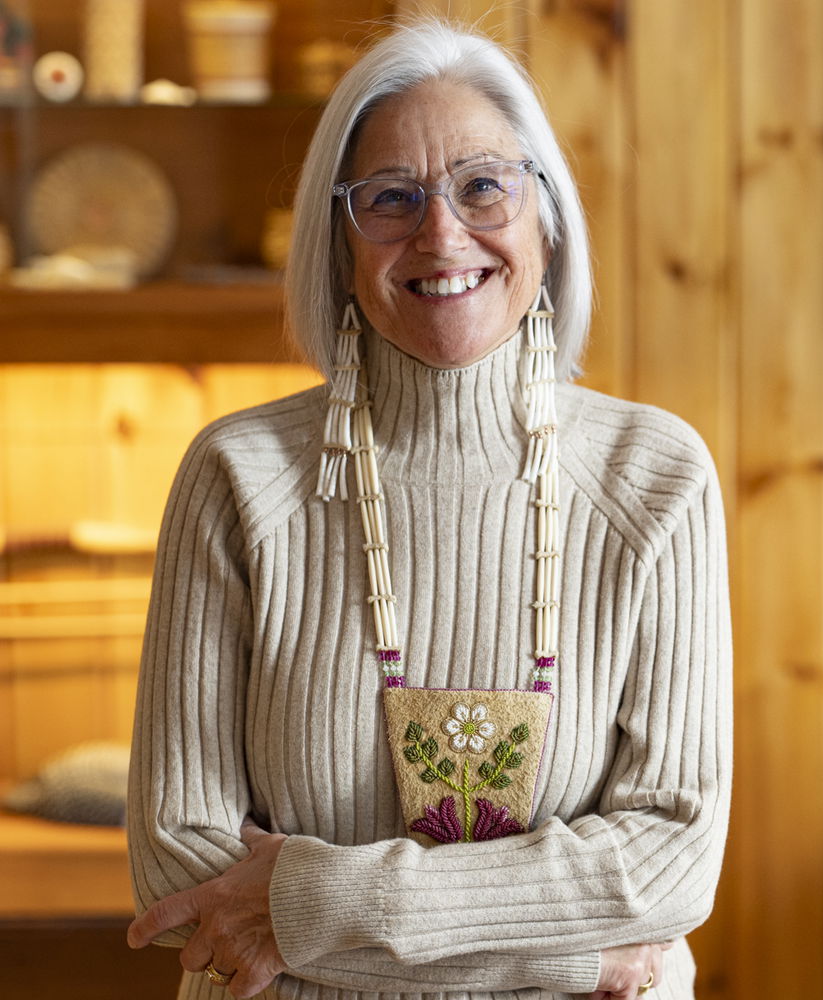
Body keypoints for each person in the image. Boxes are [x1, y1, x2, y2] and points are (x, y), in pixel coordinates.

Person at [126, 18, 732, 1000]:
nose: (441, 233)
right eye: (391, 198)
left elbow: (670, 860)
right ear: (338, 243)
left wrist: (310, 902)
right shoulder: (236, 478)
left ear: (548, 217)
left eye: (483, 184)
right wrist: (580, 949)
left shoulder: (654, 476)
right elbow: (181, 871)